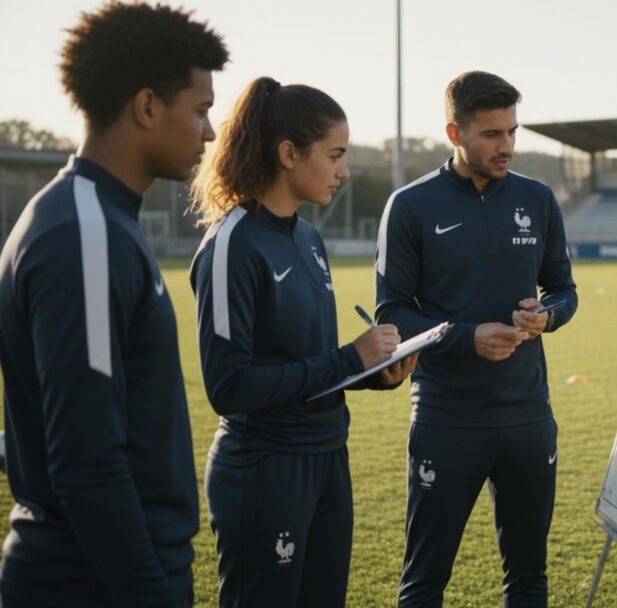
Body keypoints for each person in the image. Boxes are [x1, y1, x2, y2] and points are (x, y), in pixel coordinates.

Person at [0, 4, 227, 606]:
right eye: (201, 109)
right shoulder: (83, 234)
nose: (210, 131)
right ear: (147, 106)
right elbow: (88, 462)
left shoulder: (100, 220)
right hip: (90, 584)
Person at [188, 78, 416, 608]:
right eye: (335, 155)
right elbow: (230, 386)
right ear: (289, 153)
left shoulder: (309, 239)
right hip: (266, 469)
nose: (344, 171)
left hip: (328, 456)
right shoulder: (232, 244)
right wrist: (347, 358)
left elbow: (304, 362)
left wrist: (373, 372)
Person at [375, 71, 578, 607]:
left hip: (528, 418)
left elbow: (563, 290)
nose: (506, 145)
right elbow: (391, 312)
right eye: (491, 134)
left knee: (529, 579)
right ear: (454, 133)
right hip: (448, 418)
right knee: (424, 582)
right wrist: (467, 339)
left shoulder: (537, 199)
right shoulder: (411, 205)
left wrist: (547, 315)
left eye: (512, 131)